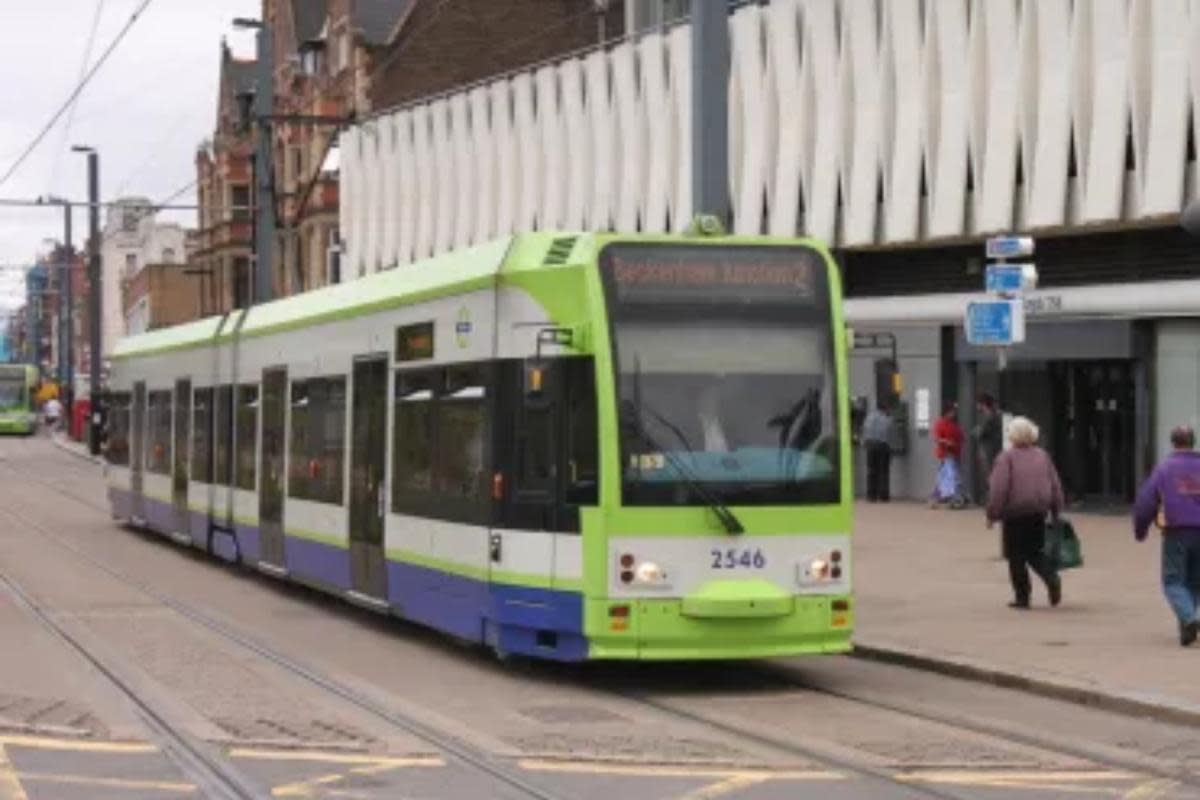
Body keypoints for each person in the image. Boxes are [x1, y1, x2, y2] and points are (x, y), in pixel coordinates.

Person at [986, 416, 1064, 609]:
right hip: (1038, 510)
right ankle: (1051, 577)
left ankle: (1023, 597)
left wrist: (992, 513)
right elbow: (1055, 484)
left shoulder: (1006, 457)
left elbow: (999, 488)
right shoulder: (1042, 455)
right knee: (1035, 551)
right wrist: (1056, 510)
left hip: (1014, 512)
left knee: (1015, 556)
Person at [1133, 425, 1200, 647]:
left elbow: (1146, 503)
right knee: (1193, 581)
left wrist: (1140, 530)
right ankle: (1187, 632)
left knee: (1173, 581)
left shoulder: (1164, 469)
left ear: (1173, 443)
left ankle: (1190, 620)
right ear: (1193, 442)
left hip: (1176, 531)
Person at [930, 403, 964, 507]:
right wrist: (946, 442)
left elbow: (961, 437)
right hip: (946, 453)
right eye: (952, 412)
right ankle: (955, 498)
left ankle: (935, 498)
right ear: (946, 412)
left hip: (954, 453)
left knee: (943, 476)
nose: (954, 414)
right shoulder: (940, 423)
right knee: (952, 476)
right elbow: (936, 438)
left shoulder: (954, 424)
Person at [862, 400, 892, 502]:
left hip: (870, 445)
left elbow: (864, 429)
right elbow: (889, 431)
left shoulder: (869, 417)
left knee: (871, 470)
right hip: (882, 445)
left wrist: (865, 442)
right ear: (885, 408)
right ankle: (883, 495)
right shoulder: (886, 418)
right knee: (884, 471)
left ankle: (871, 495)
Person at [974, 394, 1003, 501]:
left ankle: (992, 501)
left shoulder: (989, 416)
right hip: (992, 449)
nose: (976, 406)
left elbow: (981, 433)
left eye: (978, 404)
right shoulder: (995, 415)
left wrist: (976, 431)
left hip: (988, 450)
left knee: (989, 475)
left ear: (983, 404)